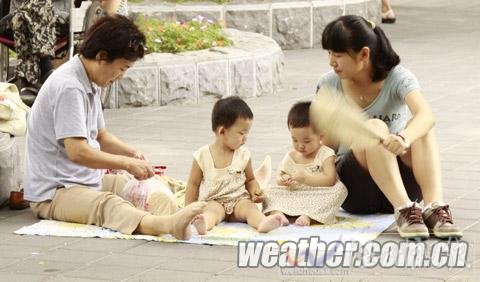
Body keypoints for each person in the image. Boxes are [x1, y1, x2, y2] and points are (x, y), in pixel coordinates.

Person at [23, 15, 206, 240]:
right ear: (102, 57)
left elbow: (101, 135)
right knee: (108, 205)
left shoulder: (89, 80)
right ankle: (167, 224)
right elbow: (77, 151)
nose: (120, 76)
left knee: (137, 185)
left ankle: (183, 213)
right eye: (122, 68)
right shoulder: (69, 87)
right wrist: (127, 163)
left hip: (85, 181)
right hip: (55, 193)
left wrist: (132, 154)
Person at [317, 15, 462, 239]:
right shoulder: (329, 83)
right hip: (356, 190)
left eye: (337, 55)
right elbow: (325, 149)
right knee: (375, 127)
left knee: (422, 126)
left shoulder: (397, 77)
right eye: (329, 53)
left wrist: (403, 138)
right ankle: (404, 209)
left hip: (399, 184)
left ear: (364, 54)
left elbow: (427, 115)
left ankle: (434, 208)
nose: (331, 62)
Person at [185, 96, 284, 235]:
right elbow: (192, 184)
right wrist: (188, 210)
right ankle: (203, 224)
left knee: (250, 209)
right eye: (241, 133)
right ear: (222, 131)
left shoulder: (243, 155)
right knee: (211, 212)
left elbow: (250, 179)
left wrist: (255, 191)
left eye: (247, 133)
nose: (245, 138)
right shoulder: (202, 156)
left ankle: (262, 222)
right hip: (214, 200)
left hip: (238, 200)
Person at [10, 0, 126, 99]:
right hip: (18, 18)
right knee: (27, 11)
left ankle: (31, 80)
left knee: (25, 14)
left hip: (56, 20)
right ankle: (45, 72)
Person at [263, 101, 348, 226]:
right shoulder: (291, 156)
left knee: (340, 190)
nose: (300, 145)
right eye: (295, 140)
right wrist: (284, 180)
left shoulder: (326, 154)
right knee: (267, 191)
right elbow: (280, 177)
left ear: (321, 135)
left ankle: (309, 216)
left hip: (318, 194)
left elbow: (331, 180)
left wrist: (306, 178)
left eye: (306, 141)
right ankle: (278, 213)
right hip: (295, 193)